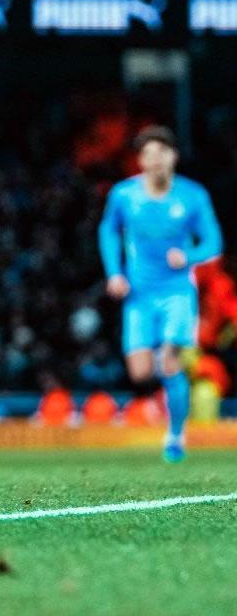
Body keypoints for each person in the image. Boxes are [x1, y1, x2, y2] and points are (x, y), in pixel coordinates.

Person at [99, 126, 223, 461]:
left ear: (173, 157)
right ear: (140, 160)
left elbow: (214, 241)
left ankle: (176, 436)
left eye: (161, 153)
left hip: (177, 292)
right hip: (138, 295)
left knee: (168, 362)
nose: (155, 160)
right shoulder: (124, 195)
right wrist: (114, 273)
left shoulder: (193, 196)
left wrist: (190, 256)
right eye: (147, 154)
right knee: (140, 372)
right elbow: (108, 230)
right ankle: (168, 377)